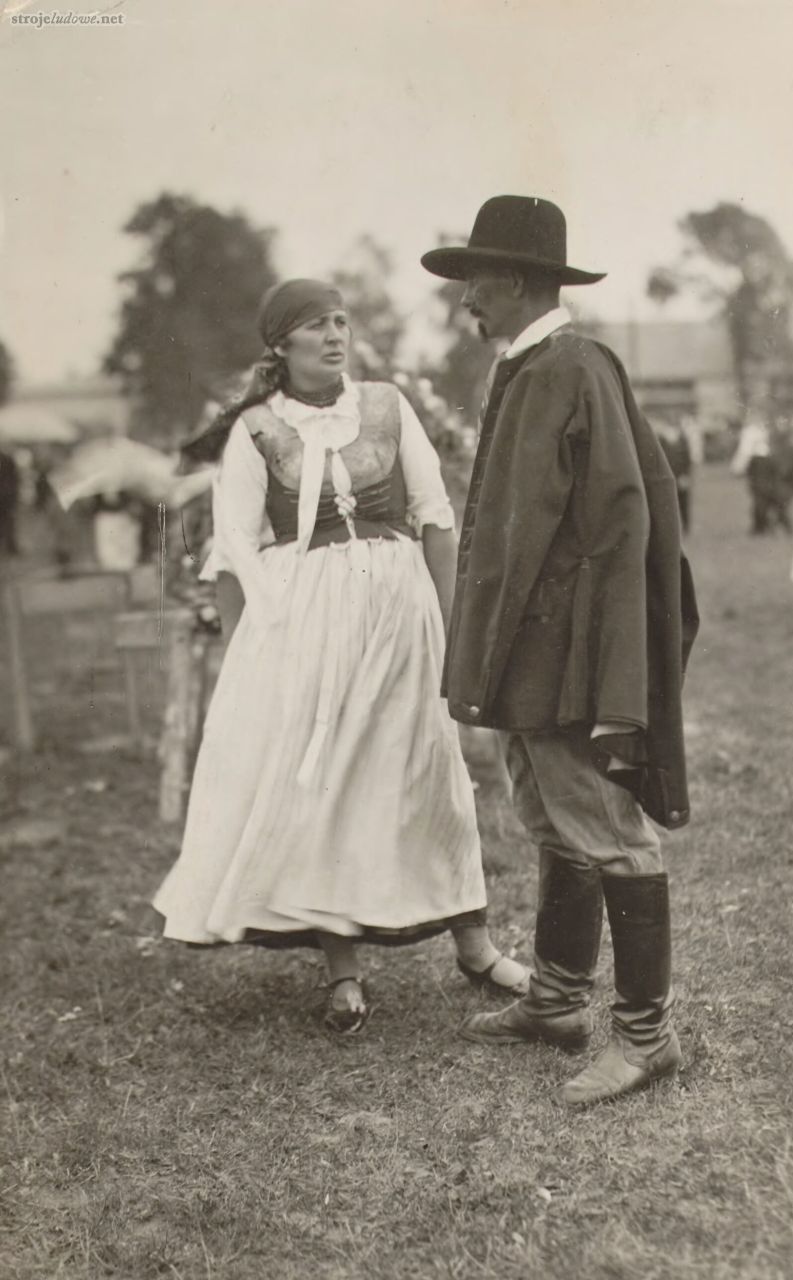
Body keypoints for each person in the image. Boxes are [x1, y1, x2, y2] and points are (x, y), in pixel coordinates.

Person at [153, 278, 529, 1033]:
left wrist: (456, 632)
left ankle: (476, 945)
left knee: (431, 769)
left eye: (339, 322)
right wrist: (252, 659)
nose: (334, 337)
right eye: (315, 327)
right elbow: (232, 552)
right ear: (281, 346)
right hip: (307, 624)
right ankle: (342, 969)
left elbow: (434, 517)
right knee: (325, 784)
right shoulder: (255, 429)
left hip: (399, 610)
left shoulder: (387, 404)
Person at [421, 197, 699, 1106]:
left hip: (573, 658)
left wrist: (618, 683)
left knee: (609, 833)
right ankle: (555, 999)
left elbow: (627, 529)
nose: (463, 299)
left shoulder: (577, 366)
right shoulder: (524, 366)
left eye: (473, 281)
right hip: (521, 656)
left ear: (511, 279)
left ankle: (646, 1036)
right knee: (548, 818)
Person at [0, 445, 20, 556]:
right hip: (6, 496)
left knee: (8, 521)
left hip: (6, 497)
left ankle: (10, 546)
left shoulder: (7, 459)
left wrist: (13, 495)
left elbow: (14, 479)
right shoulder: (7, 459)